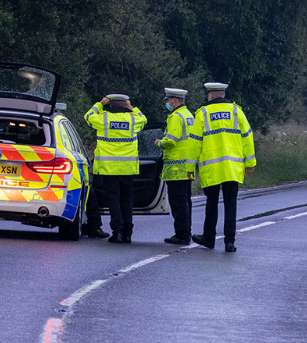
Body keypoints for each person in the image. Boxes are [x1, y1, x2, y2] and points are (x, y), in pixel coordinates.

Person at [190, 82, 255, 252]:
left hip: (211, 168)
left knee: (211, 203)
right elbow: (247, 137)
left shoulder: (203, 113)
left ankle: (209, 238)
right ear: (223, 94)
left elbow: (194, 142)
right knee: (230, 203)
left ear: (210, 95)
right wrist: (250, 163)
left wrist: (190, 167)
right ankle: (229, 242)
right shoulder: (236, 111)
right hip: (232, 168)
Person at [84, 94, 147, 243]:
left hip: (109, 168)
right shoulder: (133, 119)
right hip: (127, 168)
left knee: (114, 201)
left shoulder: (103, 119)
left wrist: (100, 103)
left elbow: (88, 116)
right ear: (125, 105)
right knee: (127, 200)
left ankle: (117, 233)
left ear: (110, 105)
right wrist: (132, 108)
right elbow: (144, 118)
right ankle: (127, 234)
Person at [156, 88, 199, 245]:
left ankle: (181, 235)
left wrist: (160, 142)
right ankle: (186, 232)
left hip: (175, 168)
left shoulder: (175, 117)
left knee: (178, 203)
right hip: (186, 166)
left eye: (168, 101)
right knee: (186, 201)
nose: (167, 103)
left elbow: (171, 140)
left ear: (174, 101)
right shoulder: (189, 115)